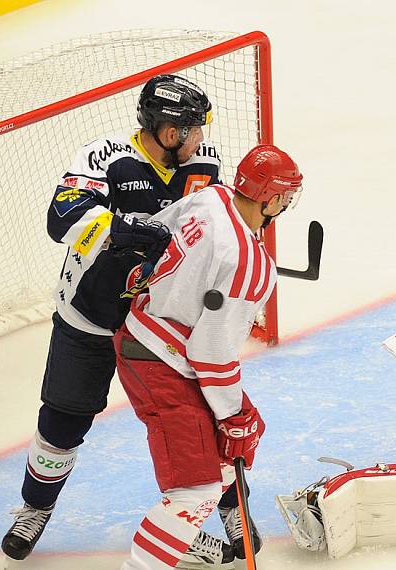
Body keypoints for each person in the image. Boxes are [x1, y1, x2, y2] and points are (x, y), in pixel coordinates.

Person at [1, 74, 223, 561]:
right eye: (194, 129)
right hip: (92, 314)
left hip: (160, 325)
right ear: (169, 132)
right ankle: (34, 507)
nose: (202, 138)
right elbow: (62, 218)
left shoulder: (204, 164)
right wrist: (128, 227)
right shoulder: (104, 156)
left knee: (195, 422)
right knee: (63, 419)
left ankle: (197, 521)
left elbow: (219, 227)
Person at [112, 144, 303, 570]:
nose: (286, 205)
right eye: (285, 197)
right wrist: (233, 417)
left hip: (144, 335)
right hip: (162, 362)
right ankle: (168, 538)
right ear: (271, 198)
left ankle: (180, 533)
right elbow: (211, 353)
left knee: (227, 445)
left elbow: (154, 234)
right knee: (195, 489)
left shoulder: (211, 197)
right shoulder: (251, 265)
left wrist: (236, 417)